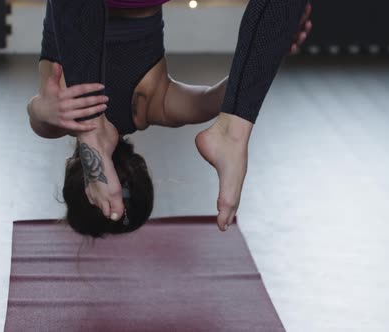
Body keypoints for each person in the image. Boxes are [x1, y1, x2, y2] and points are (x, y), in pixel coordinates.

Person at [27, 0, 312, 237]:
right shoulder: (134, 108)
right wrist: (263, 48)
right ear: (69, 166)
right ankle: (233, 130)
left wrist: (264, 54)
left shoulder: (144, 107)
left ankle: (235, 129)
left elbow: (212, 100)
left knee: (77, 112)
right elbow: (38, 117)